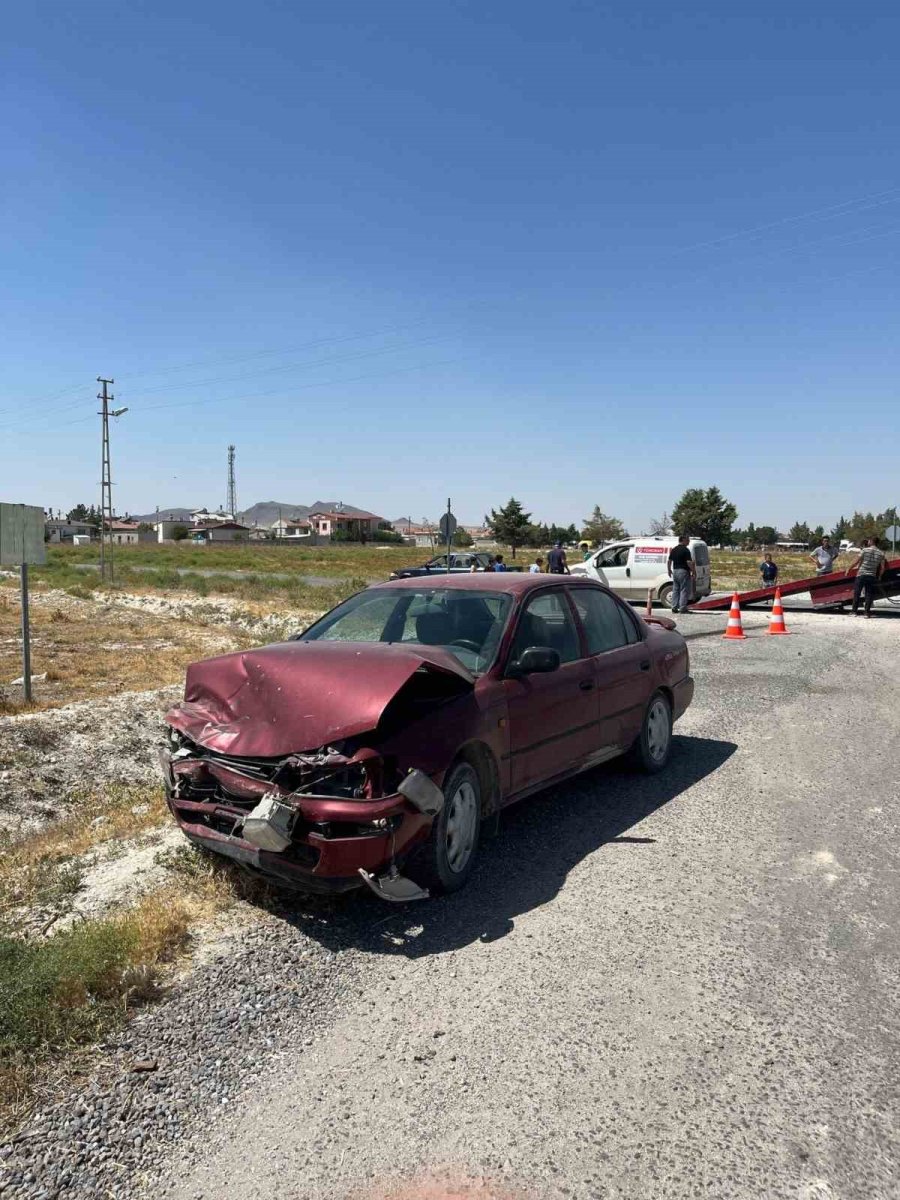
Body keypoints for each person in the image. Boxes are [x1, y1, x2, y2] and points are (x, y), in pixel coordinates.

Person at [847, 538, 885, 617]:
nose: (868, 541)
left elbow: (856, 561)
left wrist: (848, 569)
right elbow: (882, 568)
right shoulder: (881, 553)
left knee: (857, 593)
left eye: (869, 540)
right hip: (872, 575)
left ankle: (854, 612)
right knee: (869, 594)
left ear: (871, 541)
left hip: (861, 574)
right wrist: (880, 576)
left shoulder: (864, 550)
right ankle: (866, 613)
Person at [667, 535, 696, 613]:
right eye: (687, 540)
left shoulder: (674, 549)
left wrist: (669, 570)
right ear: (683, 540)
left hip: (675, 571)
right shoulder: (685, 550)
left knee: (675, 590)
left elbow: (669, 561)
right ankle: (683, 608)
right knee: (684, 590)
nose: (688, 542)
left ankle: (674, 607)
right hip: (683, 571)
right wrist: (693, 570)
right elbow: (688, 562)